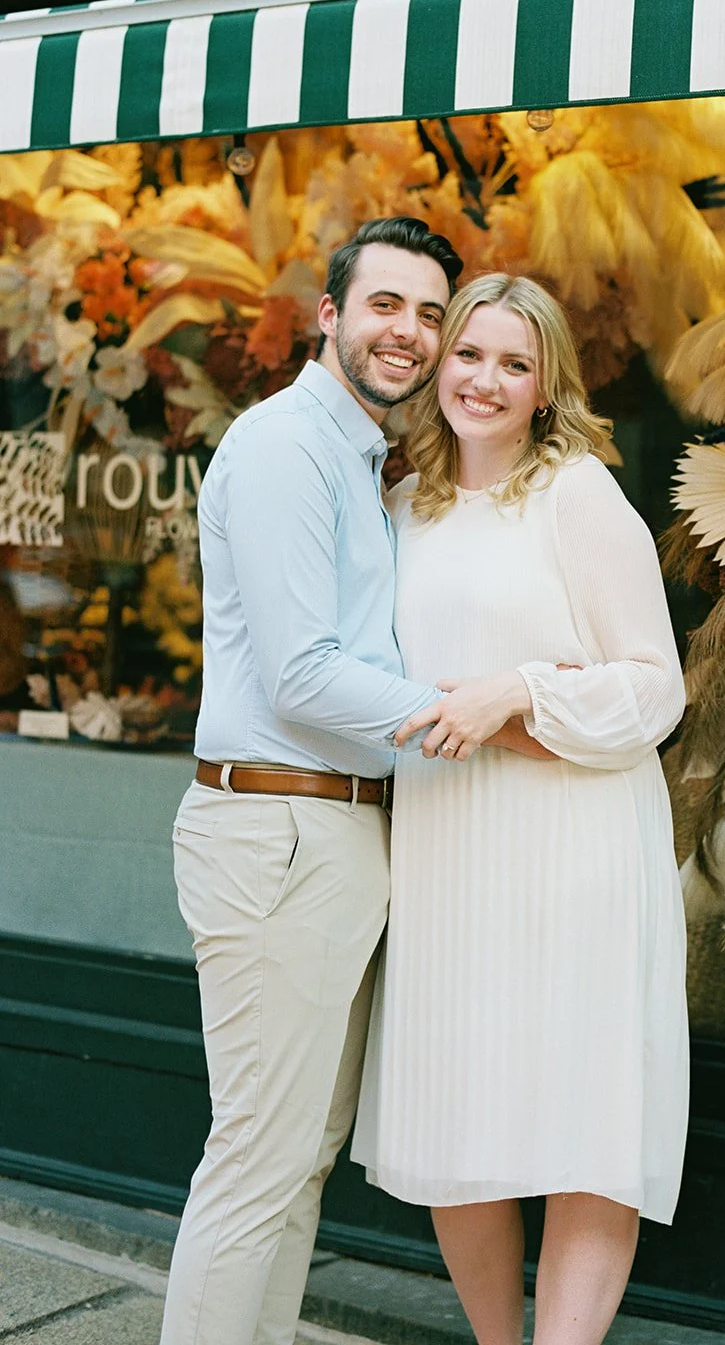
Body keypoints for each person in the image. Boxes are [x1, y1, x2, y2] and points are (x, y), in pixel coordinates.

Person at [351, 274, 690, 1345]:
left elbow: (656, 688)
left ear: (548, 386)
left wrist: (518, 692)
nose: (484, 381)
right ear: (437, 363)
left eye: (514, 363)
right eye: (468, 354)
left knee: (586, 1122)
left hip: (574, 848)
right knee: (459, 1118)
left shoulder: (576, 494)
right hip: (450, 845)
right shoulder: (401, 506)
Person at [160, 217, 465, 1345]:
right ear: (330, 315)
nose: (409, 332)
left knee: (298, 1161)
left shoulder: (357, 456)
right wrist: (463, 714)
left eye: (429, 314)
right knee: (259, 1159)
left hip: (330, 832)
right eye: (386, 305)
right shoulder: (286, 446)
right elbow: (300, 673)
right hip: (278, 828)